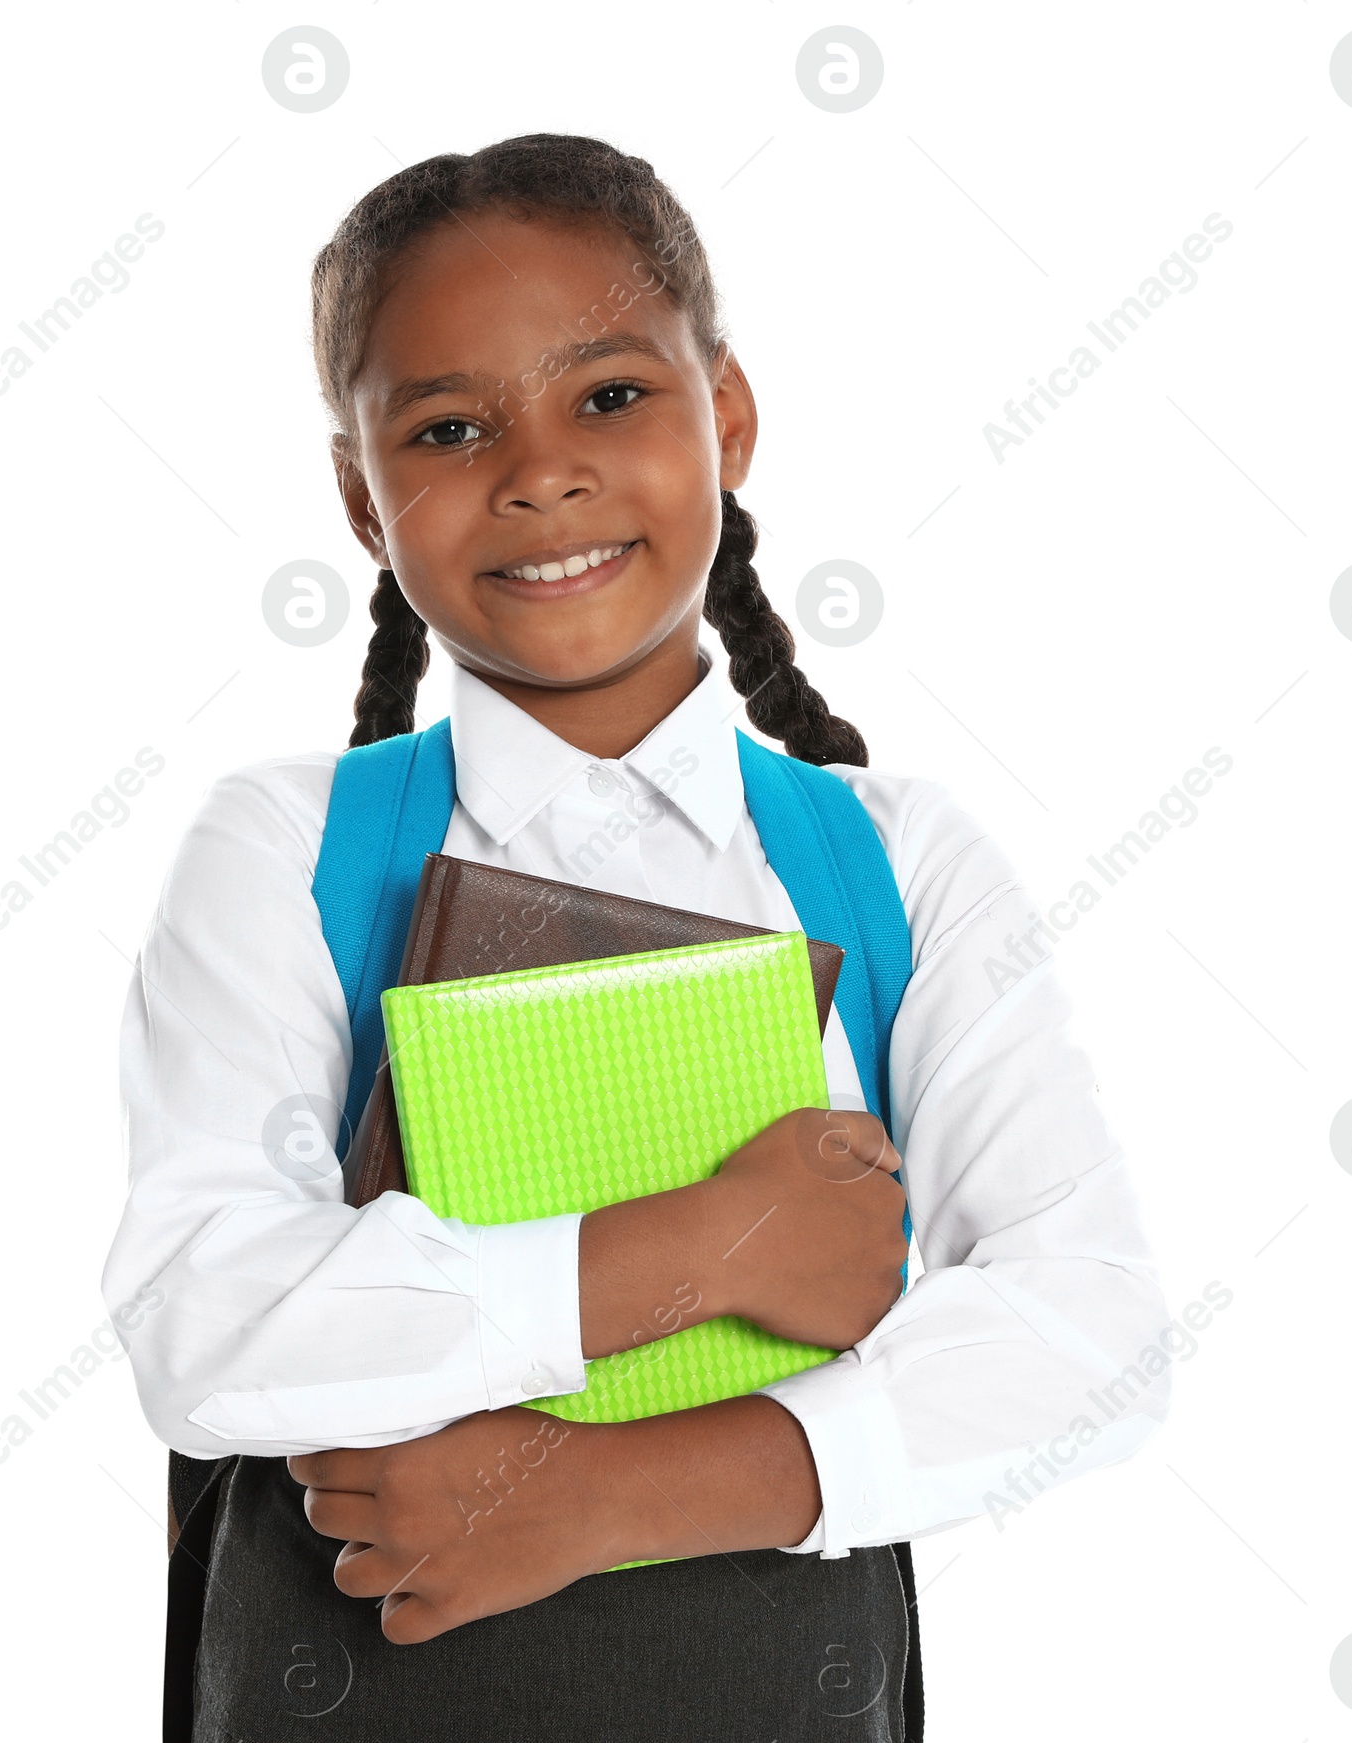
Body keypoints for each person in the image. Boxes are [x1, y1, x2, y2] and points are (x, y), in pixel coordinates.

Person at [102, 133, 1171, 1743]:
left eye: (609, 397)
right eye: (451, 428)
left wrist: (600, 1496)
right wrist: (696, 1254)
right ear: (359, 498)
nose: (541, 473)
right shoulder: (287, 853)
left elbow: (1091, 1337)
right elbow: (199, 1323)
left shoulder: (890, 864)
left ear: (726, 418)